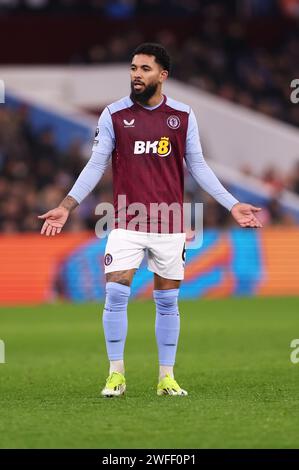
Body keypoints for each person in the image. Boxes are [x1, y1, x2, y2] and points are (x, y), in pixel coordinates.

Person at [38, 43, 262, 397]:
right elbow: (97, 163)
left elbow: (198, 166)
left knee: (168, 302)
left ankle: (166, 378)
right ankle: (115, 375)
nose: (136, 75)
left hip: (170, 224)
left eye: (144, 69)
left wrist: (232, 204)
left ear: (163, 75)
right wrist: (67, 205)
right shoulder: (113, 115)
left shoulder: (183, 116)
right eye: (133, 68)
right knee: (115, 292)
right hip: (125, 221)